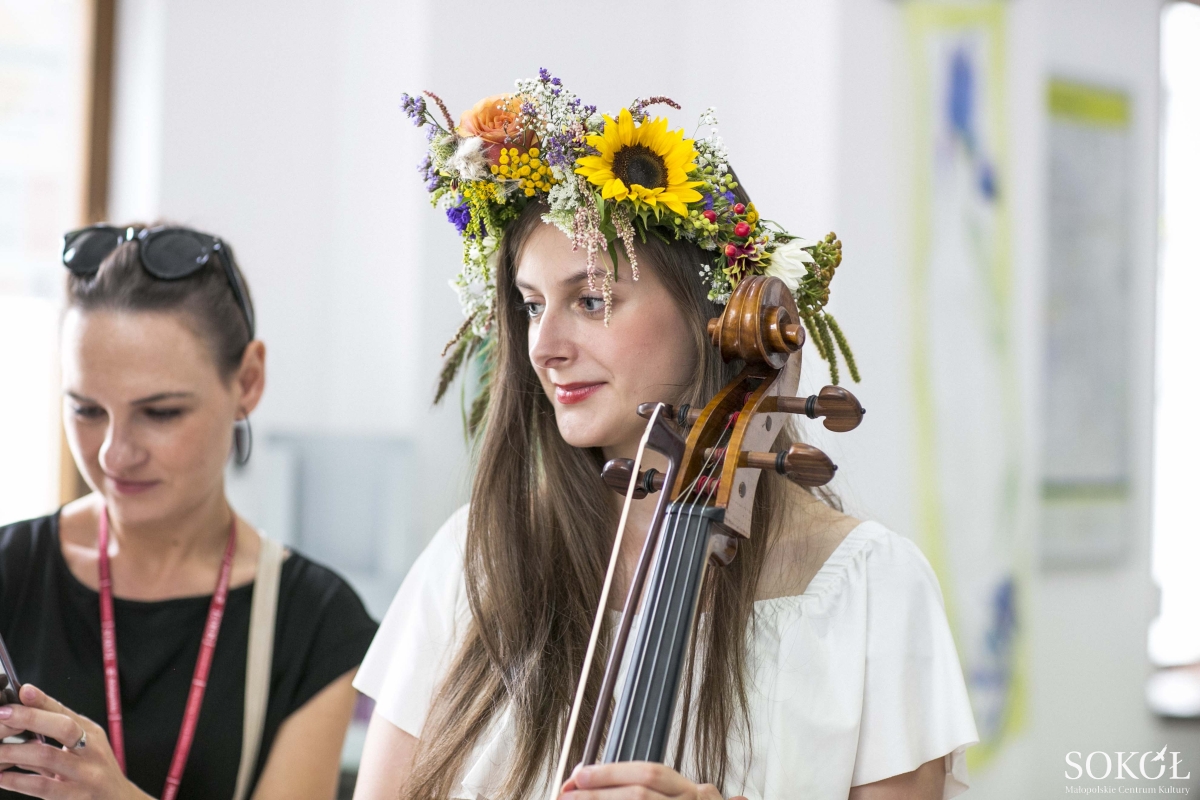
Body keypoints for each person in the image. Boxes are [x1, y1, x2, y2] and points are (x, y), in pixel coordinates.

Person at [353, 74, 979, 800]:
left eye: (592, 300)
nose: (544, 347)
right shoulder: (473, 559)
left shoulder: (871, 589)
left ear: (713, 317)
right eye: (530, 305)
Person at [0, 224, 378, 800]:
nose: (114, 454)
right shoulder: (9, 572)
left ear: (247, 380)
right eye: (87, 410)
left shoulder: (316, 624)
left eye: (161, 413)